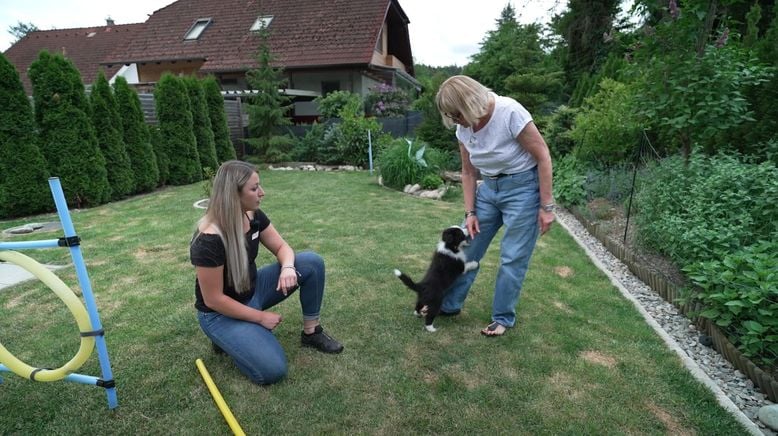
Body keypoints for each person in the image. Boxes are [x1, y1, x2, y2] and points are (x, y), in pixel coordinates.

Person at [190, 160, 343, 385]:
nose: (262, 192)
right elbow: (214, 300)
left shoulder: (252, 216)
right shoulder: (208, 240)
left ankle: (312, 332)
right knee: (273, 370)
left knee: (310, 263)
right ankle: (227, 338)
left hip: (252, 291)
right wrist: (260, 318)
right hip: (220, 313)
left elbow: (282, 247)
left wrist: (288, 267)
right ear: (234, 194)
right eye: (254, 188)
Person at [435, 75, 555, 337]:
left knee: (512, 257)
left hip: (523, 190)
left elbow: (543, 155)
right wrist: (470, 212)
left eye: (457, 114)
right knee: (465, 247)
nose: (456, 121)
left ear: (470, 102)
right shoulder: (462, 128)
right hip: (488, 189)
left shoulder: (509, 112)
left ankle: (502, 317)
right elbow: (468, 172)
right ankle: (449, 304)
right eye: (451, 117)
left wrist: (547, 207)